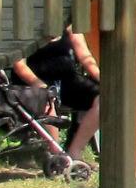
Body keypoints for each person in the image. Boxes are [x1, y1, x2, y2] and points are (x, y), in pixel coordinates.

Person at [13, 23, 100, 163]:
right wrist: (42, 86)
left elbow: (85, 56)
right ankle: (58, 156)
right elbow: (20, 66)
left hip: (67, 80)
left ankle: (74, 152)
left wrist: (101, 77)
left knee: (102, 98)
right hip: (36, 83)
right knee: (47, 99)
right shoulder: (24, 25)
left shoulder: (69, 25)